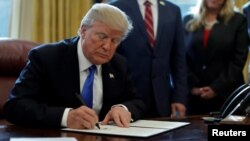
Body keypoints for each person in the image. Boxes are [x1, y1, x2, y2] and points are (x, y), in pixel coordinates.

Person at [3, 3, 146, 129]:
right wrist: (66, 117)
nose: (107, 47)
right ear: (83, 31)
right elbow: (14, 107)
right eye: (101, 37)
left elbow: (137, 101)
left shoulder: (118, 64)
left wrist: (123, 108)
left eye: (115, 40)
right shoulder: (47, 57)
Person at [110, 0, 188, 118]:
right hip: (126, 100)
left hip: (162, 100)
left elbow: (179, 59)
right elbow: (111, 56)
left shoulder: (173, 10)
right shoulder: (116, 7)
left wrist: (179, 97)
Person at [183, 0, 250, 115]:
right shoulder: (188, 19)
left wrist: (216, 88)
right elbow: (181, 56)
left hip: (226, 93)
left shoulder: (238, 20)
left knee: (223, 132)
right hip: (194, 94)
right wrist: (192, 85)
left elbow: (239, 59)